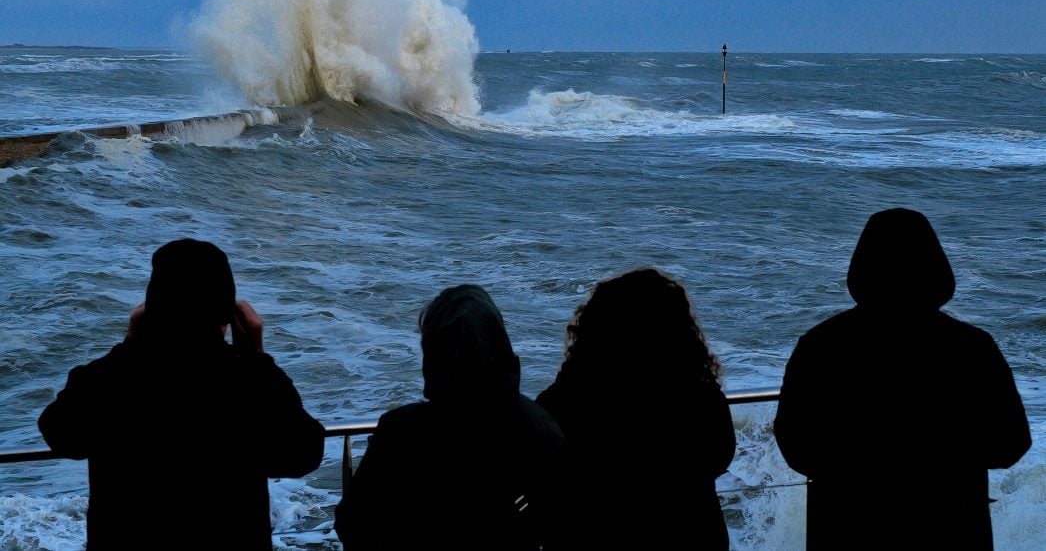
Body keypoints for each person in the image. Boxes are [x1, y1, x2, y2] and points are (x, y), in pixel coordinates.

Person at [38, 238, 326, 551]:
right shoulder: (246, 382)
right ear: (227, 315)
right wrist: (257, 358)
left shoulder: (111, 377)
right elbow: (302, 454)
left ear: (150, 309)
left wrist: (130, 346)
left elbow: (61, 433)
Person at [773, 208, 1031, 550]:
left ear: (862, 269)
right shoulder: (971, 346)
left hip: (847, 520)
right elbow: (1011, 443)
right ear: (936, 270)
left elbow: (796, 443)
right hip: (950, 521)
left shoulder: (822, 344)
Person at [334, 284, 566, 551]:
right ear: (501, 344)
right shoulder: (541, 431)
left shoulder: (401, 433)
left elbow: (353, 523)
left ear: (432, 357)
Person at [536, 268, 736, 551]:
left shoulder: (573, 394)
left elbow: (541, 457)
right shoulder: (696, 393)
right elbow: (720, 453)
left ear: (595, 327)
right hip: (690, 534)